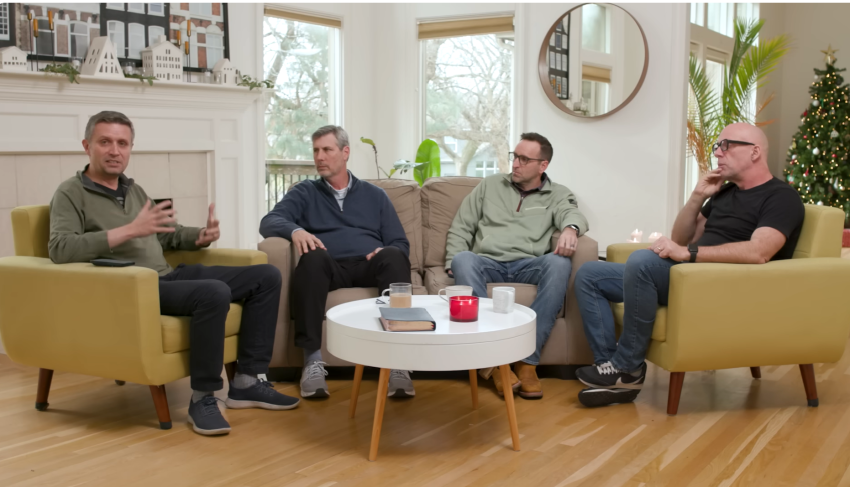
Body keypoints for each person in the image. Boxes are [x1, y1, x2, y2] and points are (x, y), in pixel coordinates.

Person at [48, 111, 298, 436]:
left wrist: (201, 236)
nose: (114, 151)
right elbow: (60, 248)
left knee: (265, 276)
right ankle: (203, 397)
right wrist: (129, 230)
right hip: (130, 287)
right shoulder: (70, 193)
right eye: (105, 142)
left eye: (122, 143)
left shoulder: (133, 190)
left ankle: (248, 381)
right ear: (87, 146)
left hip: (166, 277)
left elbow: (167, 234)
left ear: (130, 148)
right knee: (214, 292)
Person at [574, 123, 805, 407]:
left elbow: (760, 251)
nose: (718, 153)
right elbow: (681, 238)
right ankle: (609, 368)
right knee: (590, 274)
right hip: (689, 276)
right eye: (717, 146)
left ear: (755, 152)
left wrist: (688, 254)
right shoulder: (724, 192)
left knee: (643, 262)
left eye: (726, 145)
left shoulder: (781, 197)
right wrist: (698, 196)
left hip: (722, 284)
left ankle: (628, 368)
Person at [259, 125, 415, 399]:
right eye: (316, 150)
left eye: (327, 150)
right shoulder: (304, 192)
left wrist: (382, 250)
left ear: (345, 153)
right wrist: (295, 231)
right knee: (312, 258)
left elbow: (400, 243)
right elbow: (269, 221)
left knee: (393, 256)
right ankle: (312, 362)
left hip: (368, 265)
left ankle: (397, 363)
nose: (319, 157)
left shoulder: (375, 195)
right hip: (329, 266)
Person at [445, 132, 589, 399]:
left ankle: (527, 362)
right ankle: (493, 363)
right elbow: (461, 226)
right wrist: (453, 261)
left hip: (529, 264)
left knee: (559, 263)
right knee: (463, 258)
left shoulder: (558, 193)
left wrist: (571, 228)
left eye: (524, 159)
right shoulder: (489, 185)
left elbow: (572, 213)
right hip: (487, 261)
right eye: (515, 156)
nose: (515, 164)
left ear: (543, 165)